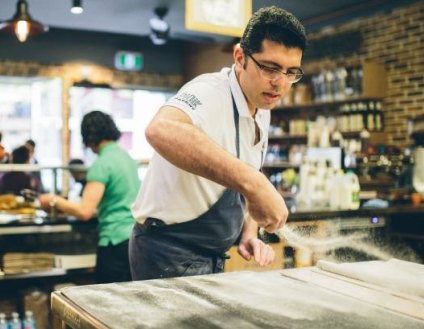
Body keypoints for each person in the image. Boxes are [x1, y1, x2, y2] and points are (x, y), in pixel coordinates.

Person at [129, 6, 307, 280]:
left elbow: (243, 169)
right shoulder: (210, 92)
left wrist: (248, 232)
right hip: (166, 252)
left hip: (211, 254)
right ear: (239, 57)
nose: (280, 83)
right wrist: (257, 185)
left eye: (291, 72)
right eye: (270, 68)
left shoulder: (263, 106)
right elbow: (160, 130)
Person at [39, 111, 140, 283]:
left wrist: (52, 200)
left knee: (107, 302)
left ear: (89, 136)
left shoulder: (102, 163)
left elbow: (85, 211)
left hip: (114, 241)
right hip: (134, 238)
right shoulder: (126, 157)